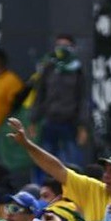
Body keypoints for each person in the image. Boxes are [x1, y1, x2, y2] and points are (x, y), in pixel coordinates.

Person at [30, 33, 88, 168]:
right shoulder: (49, 68)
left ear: (72, 48)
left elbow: (82, 99)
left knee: (72, 162)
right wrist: (33, 120)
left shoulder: (77, 70)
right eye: (59, 45)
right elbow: (40, 95)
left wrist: (83, 126)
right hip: (49, 121)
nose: (62, 49)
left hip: (69, 122)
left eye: (65, 46)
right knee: (46, 161)